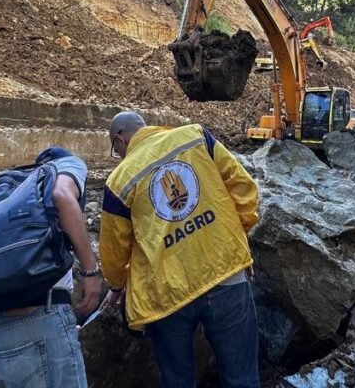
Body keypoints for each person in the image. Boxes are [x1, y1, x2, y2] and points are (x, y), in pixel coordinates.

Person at [100, 112, 261, 388]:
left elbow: (115, 251)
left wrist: (116, 286)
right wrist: (237, 237)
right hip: (225, 273)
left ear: (120, 140)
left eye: (117, 151)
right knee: (242, 380)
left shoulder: (119, 181)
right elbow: (243, 187)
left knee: (178, 381)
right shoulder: (195, 136)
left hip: (167, 296)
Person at [0, 147, 101, 388]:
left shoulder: (5, 188)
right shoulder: (67, 164)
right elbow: (61, 194)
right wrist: (90, 272)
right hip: (32, 325)